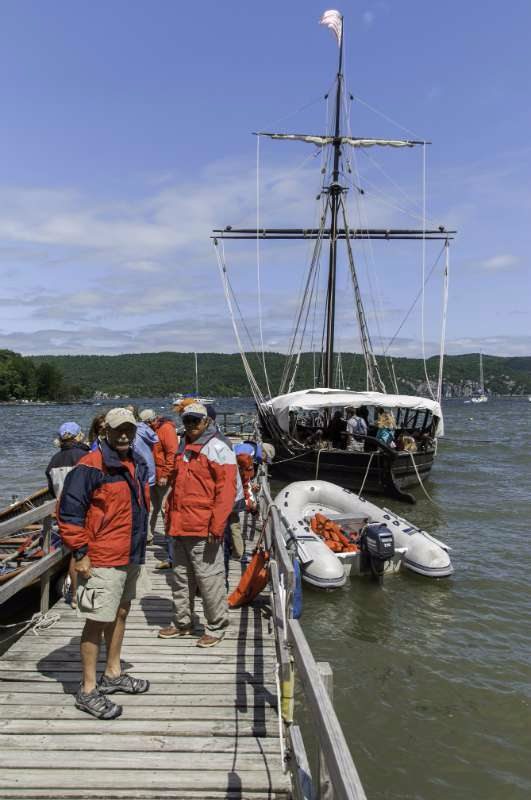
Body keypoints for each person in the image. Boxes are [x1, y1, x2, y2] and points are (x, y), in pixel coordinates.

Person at [58, 407, 151, 720]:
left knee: (121, 612)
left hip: (130, 553)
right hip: (103, 557)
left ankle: (112, 674)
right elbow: (69, 515)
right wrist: (81, 554)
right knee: (96, 621)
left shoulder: (134, 463)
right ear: (104, 433)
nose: (124, 434)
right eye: (117, 430)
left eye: (129, 429)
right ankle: (86, 690)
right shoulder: (89, 466)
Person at [158, 402, 236, 648]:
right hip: (179, 526)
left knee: (209, 579)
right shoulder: (184, 447)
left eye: (195, 420)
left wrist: (217, 525)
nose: (190, 425)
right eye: (187, 421)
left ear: (206, 422)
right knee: (180, 578)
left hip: (204, 528)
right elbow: (176, 485)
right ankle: (183, 622)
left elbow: (226, 492)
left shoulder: (218, 448)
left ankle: (216, 625)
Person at [45, 421, 90, 609]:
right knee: (79, 553)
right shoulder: (85, 456)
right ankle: (77, 595)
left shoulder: (53, 461)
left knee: (73, 552)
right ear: (79, 436)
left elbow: (50, 490)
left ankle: (73, 595)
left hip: (62, 511)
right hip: (83, 510)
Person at [139, 409, 179, 544]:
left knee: (164, 507)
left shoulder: (167, 429)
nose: (144, 426)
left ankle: (170, 538)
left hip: (163, 476)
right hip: (151, 475)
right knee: (150, 507)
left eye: (146, 423)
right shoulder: (148, 430)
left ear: (152, 420)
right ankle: (148, 536)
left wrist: (166, 475)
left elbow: (172, 453)